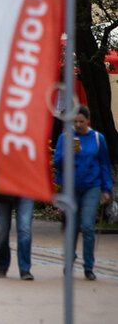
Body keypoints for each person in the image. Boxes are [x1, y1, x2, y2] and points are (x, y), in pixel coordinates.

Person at [53, 105, 113, 281]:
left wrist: (106, 189)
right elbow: (57, 162)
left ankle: (89, 266)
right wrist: (69, 153)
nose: (78, 125)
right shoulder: (65, 138)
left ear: (88, 120)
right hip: (71, 187)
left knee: (87, 226)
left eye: (81, 121)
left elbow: (104, 164)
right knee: (71, 226)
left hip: (92, 186)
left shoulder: (97, 138)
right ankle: (69, 260)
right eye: (75, 121)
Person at [0, 193, 34, 280]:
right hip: (2, 191)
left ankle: (25, 269)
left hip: (25, 190)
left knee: (25, 229)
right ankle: (2, 265)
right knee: (2, 231)